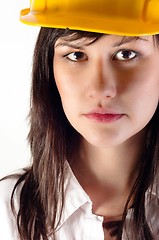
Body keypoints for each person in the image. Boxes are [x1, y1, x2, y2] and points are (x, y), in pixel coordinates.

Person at [1, 0, 159, 239]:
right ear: (48, 69)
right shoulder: (6, 214)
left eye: (126, 54)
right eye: (76, 55)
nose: (100, 89)